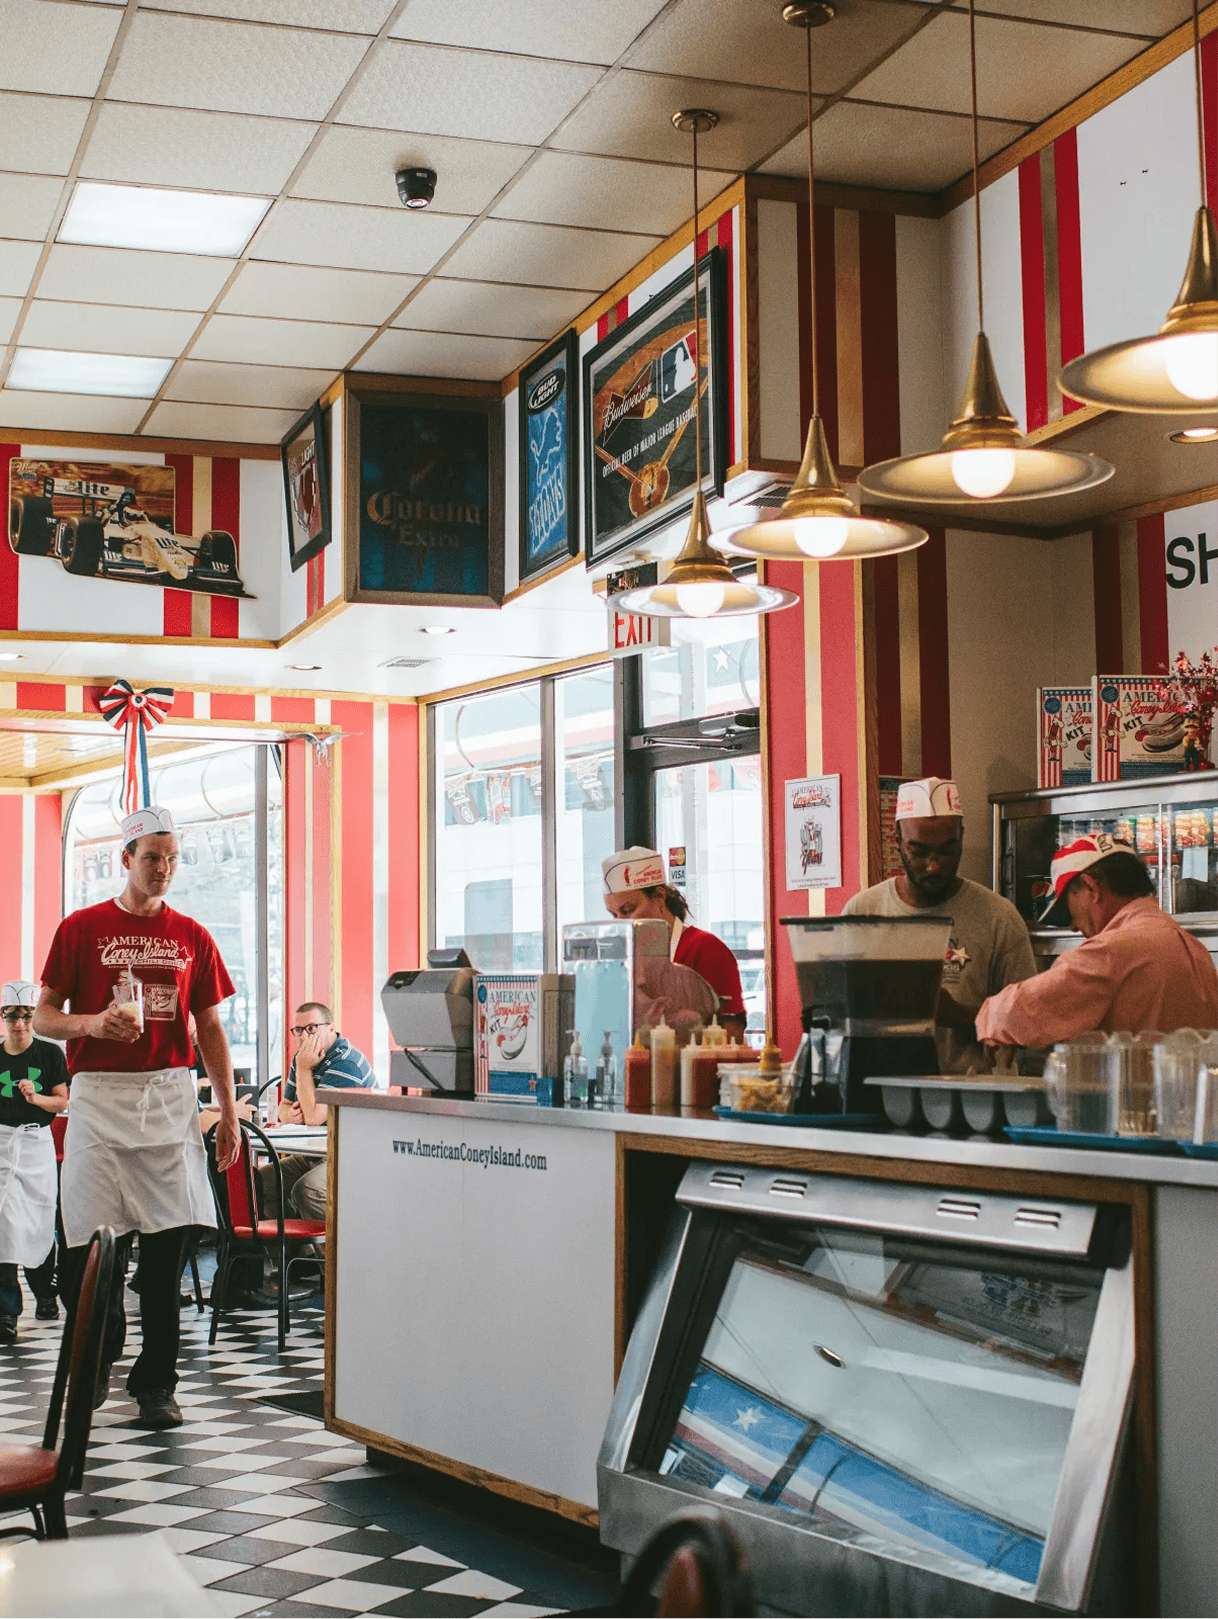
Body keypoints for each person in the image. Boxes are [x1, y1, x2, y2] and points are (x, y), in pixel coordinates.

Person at [35, 805, 240, 1430]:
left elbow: (208, 1026)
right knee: (87, 1250)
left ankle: (157, 1384)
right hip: (98, 1097)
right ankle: (99, 1353)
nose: (164, 869)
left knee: (165, 1251)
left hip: (170, 1098)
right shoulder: (82, 928)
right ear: (126, 859)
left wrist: (228, 1110)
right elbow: (45, 1016)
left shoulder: (192, 936)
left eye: (173, 858)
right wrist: (92, 1023)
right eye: (152, 857)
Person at [843, 777, 1037, 1072]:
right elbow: (834, 1018)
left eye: (946, 851)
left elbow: (1028, 1025)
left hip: (973, 1105)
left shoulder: (998, 917)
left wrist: (954, 1014)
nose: (934, 865)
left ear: (961, 838)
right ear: (897, 843)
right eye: (919, 852)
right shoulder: (862, 912)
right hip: (883, 1095)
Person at [977, 833, 1218, 1051]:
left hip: (1131, 1096)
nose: (1072, 926)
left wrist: (986, 1020)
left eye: (1068, 909)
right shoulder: (1194, 948)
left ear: (1091, 888)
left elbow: (1018, 1011)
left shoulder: (1111, 951)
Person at [602, 848, 746, 1039]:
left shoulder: (706, 949)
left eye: (628, 910)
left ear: (660, 897)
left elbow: (732, 1034)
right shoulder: (627, 959)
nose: (622, 923)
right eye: (614, 915)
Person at [0, 981, 68, 1342]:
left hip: (36, 1144)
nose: (20, 1025)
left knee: (38, 1222)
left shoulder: (50, 1055)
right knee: (3, 1225)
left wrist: (36, 1098)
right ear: (3, 1017)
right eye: (13, 1017)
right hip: (1, 1144)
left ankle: (45, 1294)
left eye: (27, 1017)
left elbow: (61, 1101)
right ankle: (7, 1312)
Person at [272, 1003, 374, 1221]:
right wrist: (289, 1115)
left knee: (307, 1190)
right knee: (262, 1181)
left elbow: (315, 1118)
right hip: (317, 1152)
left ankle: (329, 1254)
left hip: (352, 1155)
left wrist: (303, 1069)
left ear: (330, 1028)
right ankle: (289, 1252)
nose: (303, 1036)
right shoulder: (303, 1057)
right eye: (298, 1030)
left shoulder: (346, 1062)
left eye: (311, 1028)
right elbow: (284, 1107)